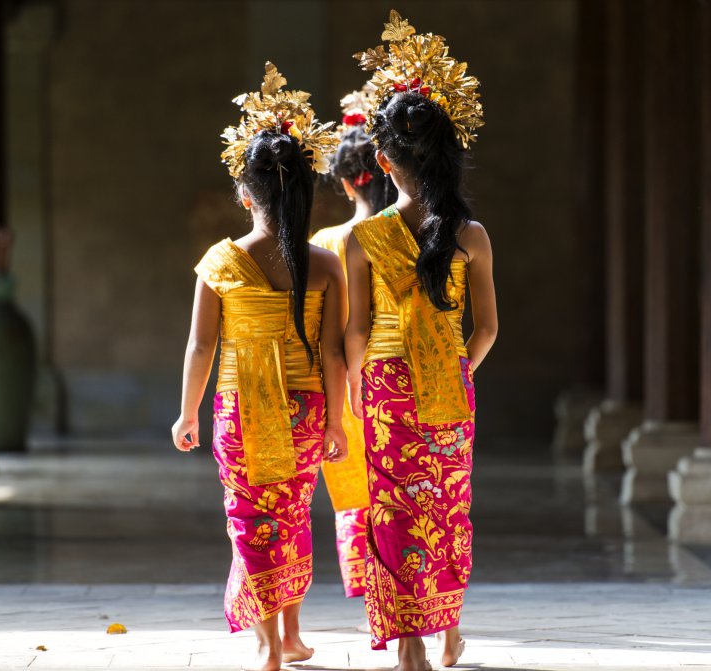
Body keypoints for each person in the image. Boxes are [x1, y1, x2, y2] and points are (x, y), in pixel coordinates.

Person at [171, 62, 346, 671]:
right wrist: (337, 423)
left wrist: (187, 411)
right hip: (305, 407)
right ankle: (291, 634)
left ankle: (270, 644)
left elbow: (200, 347)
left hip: (239, 406)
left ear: (244, 194)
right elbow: (332, 353)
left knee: (252, 518)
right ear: (304, 194)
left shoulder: (218, 262)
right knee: (292, 514)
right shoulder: (324, 265)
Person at [345, 12, 498, 671]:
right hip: (449, 390)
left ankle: (410, 645)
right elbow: (487, 327)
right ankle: (446, 630)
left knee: (393, 510)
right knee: (445, 511)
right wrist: (461, 369)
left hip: (382, 389)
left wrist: (355, 384)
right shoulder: (473, 235)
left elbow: (353, 326)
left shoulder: (362, 238)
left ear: (383, 160)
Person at [310, 87, 397, 602]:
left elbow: (326, 333)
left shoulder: (326, 244)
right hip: (403, 377)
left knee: (355, 496)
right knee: (411, 491)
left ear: (345, 182)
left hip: (343, 385)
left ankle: (376, 602)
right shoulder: (410, 236)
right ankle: (419, 600)